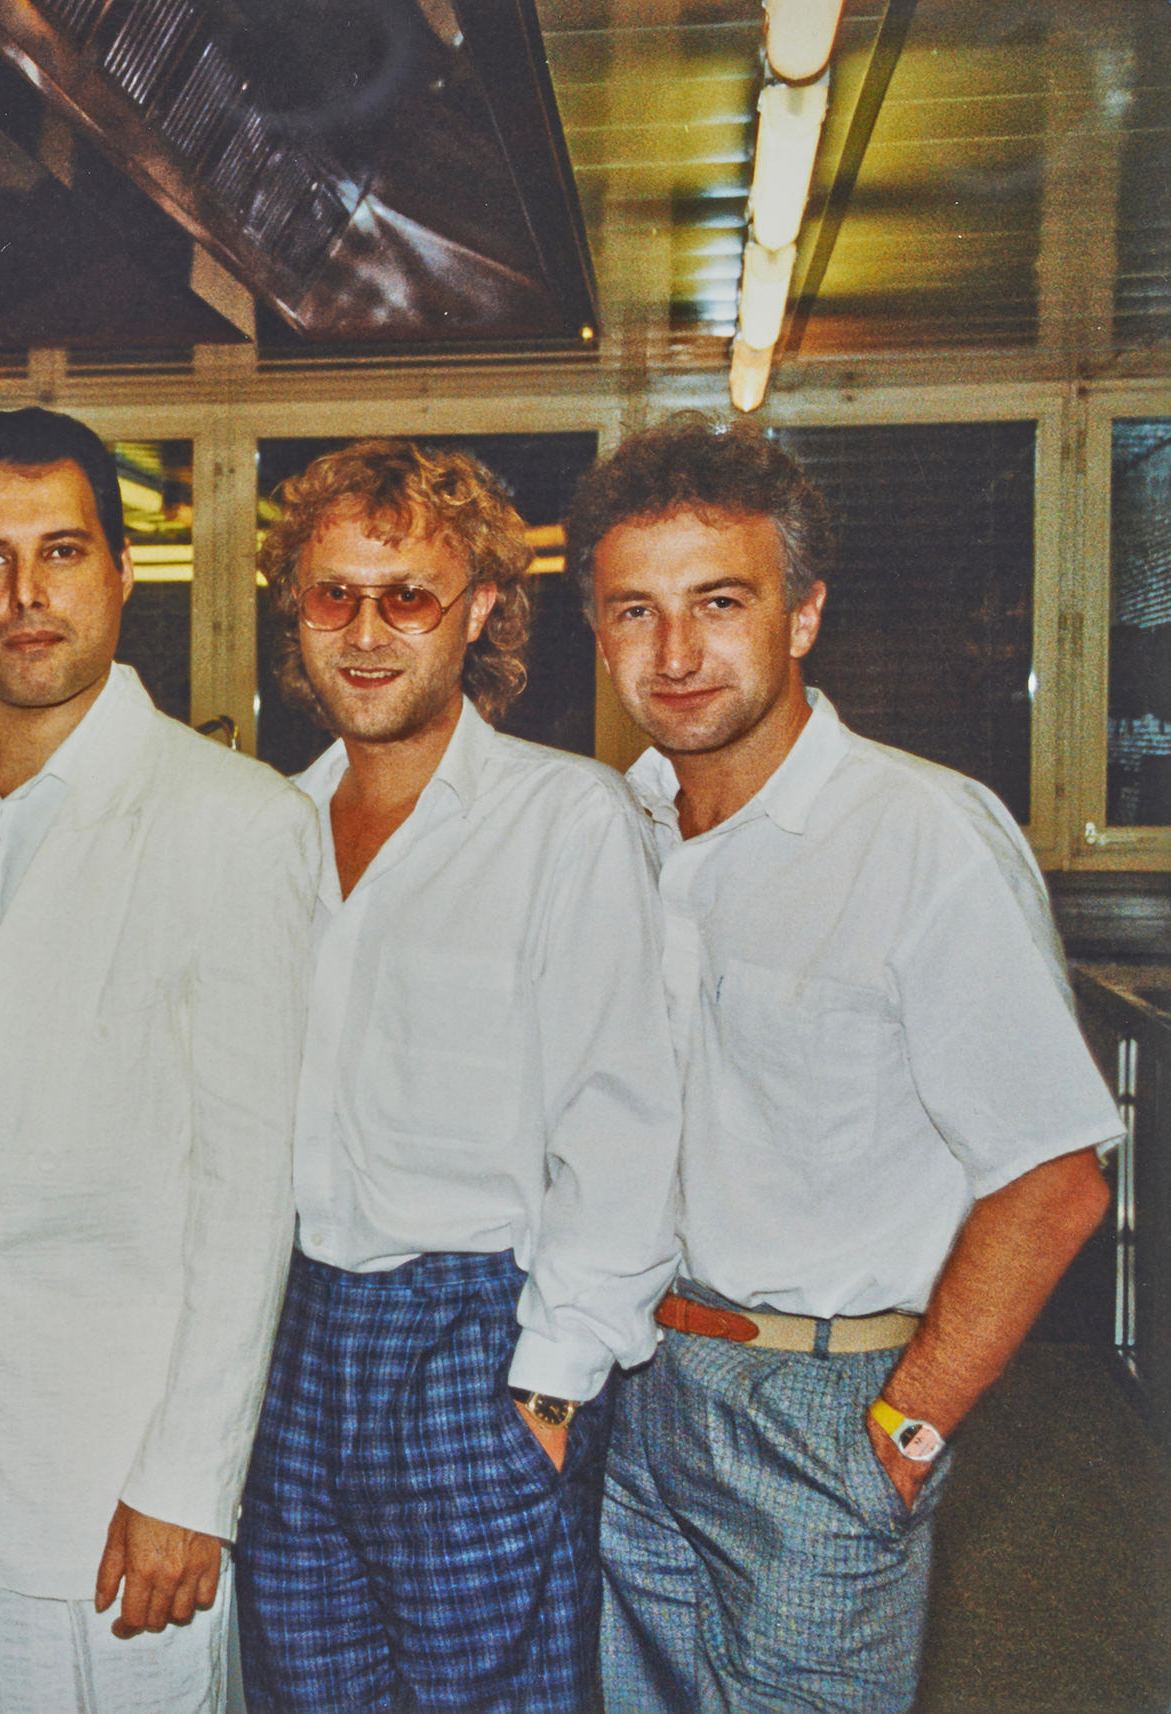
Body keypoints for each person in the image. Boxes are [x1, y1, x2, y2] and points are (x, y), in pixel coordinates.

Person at [573, 414, 1118, 1714]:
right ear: (598, 634)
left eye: (719, 602)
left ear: (803, 614)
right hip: (637, 1387)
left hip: (826, 1407)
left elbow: (1052, 1180)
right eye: (637, 611)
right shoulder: (616, 834)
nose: (676, 652)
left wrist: (904, 1428)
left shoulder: (918, 834)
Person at [0, 407, 321, 1714]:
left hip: (103, 1477)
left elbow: (249, 1189)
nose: (26, 594)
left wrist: (189, 1480)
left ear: (120, 568)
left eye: (60, 551)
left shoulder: (237, 821)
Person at [230, 441, 682, 1713]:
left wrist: (549, 1385)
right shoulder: (267, 828)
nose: (367, 633)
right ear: (295, 608)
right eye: (334, 595)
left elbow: (620, 1122)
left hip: (474, 1344)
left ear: (479, 606)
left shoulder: (566, 820)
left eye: (408, 596)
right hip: (285, 1335)